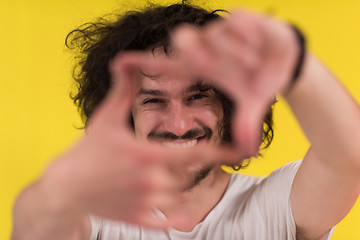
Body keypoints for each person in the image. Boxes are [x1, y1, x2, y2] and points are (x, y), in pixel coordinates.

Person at [11, 2, 360, 240]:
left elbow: (349, 157)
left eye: (198, 96)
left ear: (231, 106)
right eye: (153, 100)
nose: (178, 124)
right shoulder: (95, 212)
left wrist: (291, 62)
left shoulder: (275, 205)